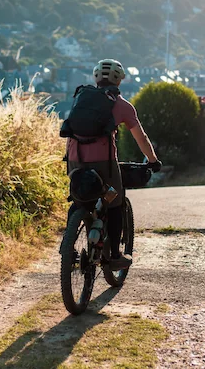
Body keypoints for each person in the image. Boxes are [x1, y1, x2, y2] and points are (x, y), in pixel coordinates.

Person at [65, 59, 161, 270]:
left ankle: (67, 248)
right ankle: (115, 256)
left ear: (96, 78)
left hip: (74, 159)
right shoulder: (122, 106)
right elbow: (141, 138)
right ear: (119, 80)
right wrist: (153, 160)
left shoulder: (80, 97)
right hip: (104, 163)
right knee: (115, 201)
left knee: (79, 200)